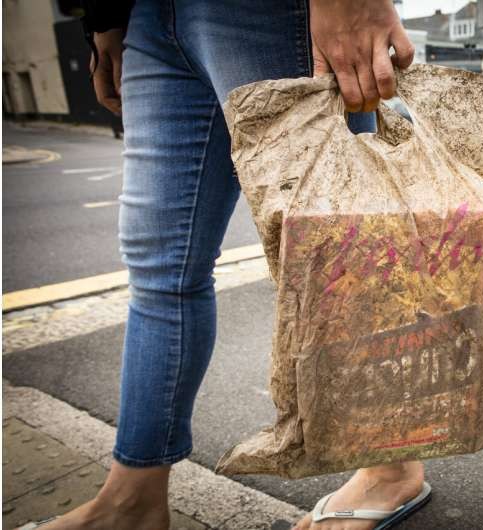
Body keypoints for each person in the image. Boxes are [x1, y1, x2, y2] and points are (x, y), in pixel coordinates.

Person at [34, 1, 426, 529]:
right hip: (145, 18)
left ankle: (392, 468)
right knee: (160, 270)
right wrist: (104, 20)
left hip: (267, 9)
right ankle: (132, 502)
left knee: (334, 254)